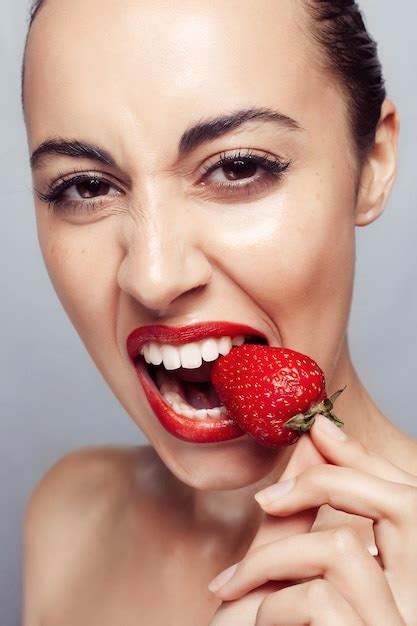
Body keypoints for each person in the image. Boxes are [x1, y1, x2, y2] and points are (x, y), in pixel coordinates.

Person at [21, 0, 417, 624]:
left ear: (372, 165)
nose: (152, 275)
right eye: (86, 186)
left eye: (239, 167)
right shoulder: (67, 514)